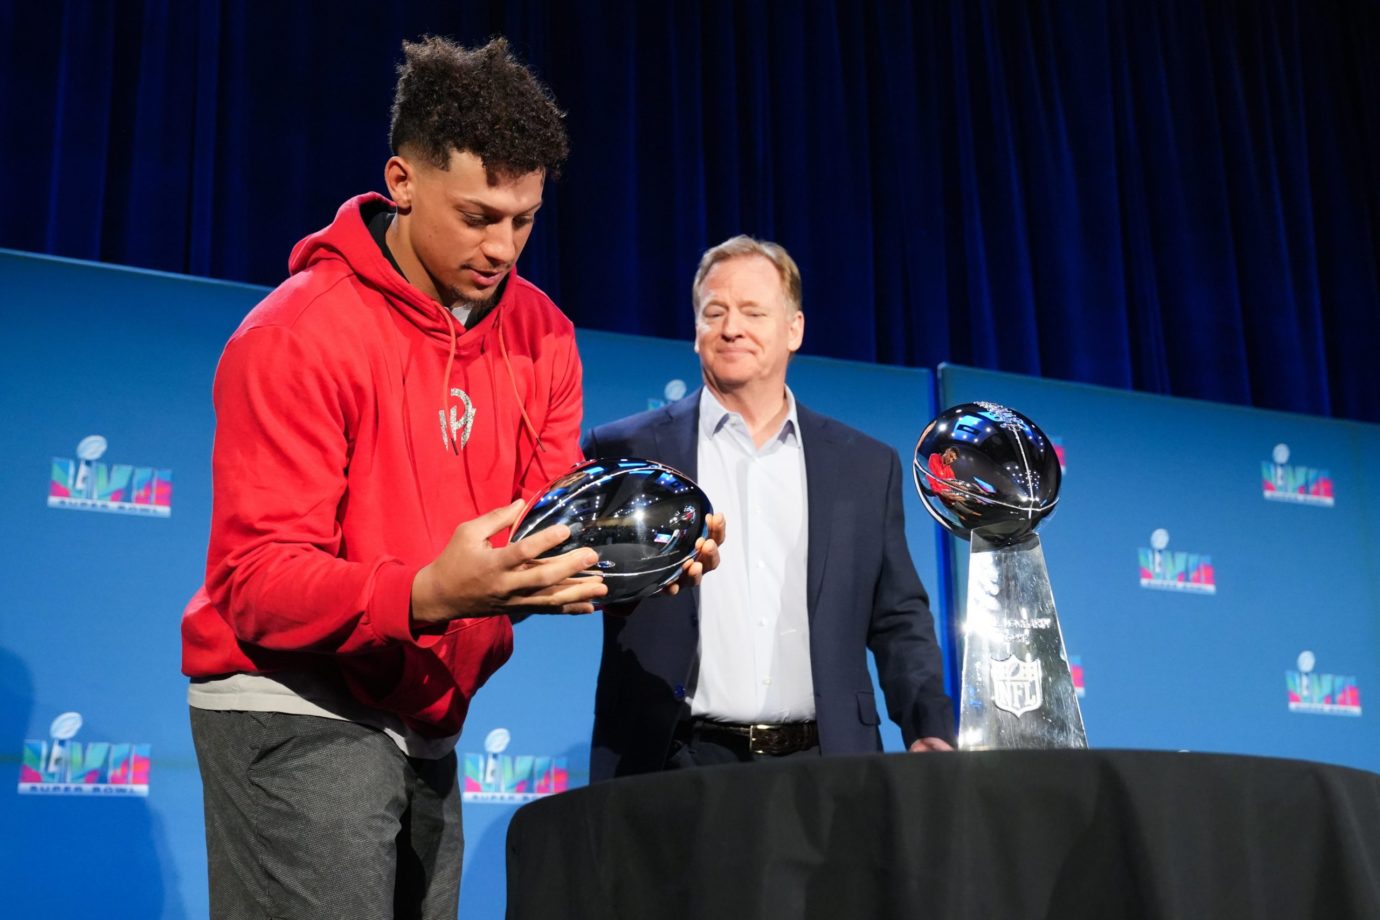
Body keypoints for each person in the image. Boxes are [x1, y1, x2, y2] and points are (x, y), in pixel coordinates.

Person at [179, 36, 716, 919]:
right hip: (295, 706)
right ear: (401, 181)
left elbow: (548, 523)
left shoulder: (543, 333)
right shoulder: (295, 334)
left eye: (524, 219)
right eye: (476, 217)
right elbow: (257, 584)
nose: (503, 246)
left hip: (430, 718)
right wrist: (428, 592)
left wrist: (646, 549)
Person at [585, 235, 955, 781]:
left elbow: (899, 617)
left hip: (827, 766)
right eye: (715, 312)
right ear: (696, 332)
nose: (731, 327)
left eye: (752, 311)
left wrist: (927, 725)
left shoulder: (864, 466)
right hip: (671, 763)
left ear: (793, 330)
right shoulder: (627, 452)